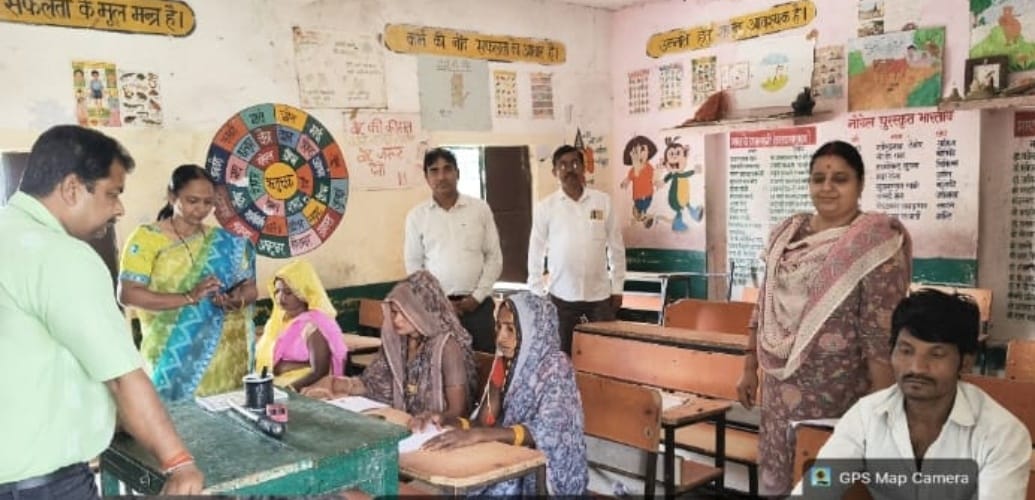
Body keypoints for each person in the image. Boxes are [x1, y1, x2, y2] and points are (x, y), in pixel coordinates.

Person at [0, 125, 203, 497]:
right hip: (40, 487)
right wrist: (178, 462)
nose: (119, 208)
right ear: (72, 188)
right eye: (112, 194)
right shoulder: (59, 256)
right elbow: (120, 376)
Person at [735, 140, 912, 496]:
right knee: (779, 478)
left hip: (839, 393)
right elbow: (764, 304)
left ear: (860, 185)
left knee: (825, 484)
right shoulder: (787, 235)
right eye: (819, 179)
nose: (827, 187)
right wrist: (749, 367)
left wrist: (881, 410)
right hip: (778, 387)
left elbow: (880, 332)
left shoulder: (874, 242)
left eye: (840, 179)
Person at [795, 290, 1032, 499]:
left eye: (936, 354)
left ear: (966, 361)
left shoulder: (1002, 435)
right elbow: (820, 482)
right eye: (906, 351)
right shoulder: (866, 417)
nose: (917, 367)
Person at [418, 292, 588, 496]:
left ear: (535, 330)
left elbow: (547, 431)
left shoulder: (557, 368)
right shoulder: (505, 364)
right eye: (498, 327)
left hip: (547, 468)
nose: (500, 338)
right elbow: (484, 422)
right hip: (510, 455)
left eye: (511, 329)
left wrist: (478, 436)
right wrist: (446, 421)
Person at [118, 164, 257, 402]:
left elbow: (250, 288)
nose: (201, 209)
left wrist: (236, 300)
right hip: (171, 355)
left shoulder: (224, 241)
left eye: (208, 202)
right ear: (172, 196)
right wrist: (189, 297)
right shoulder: (147, 239)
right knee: (177, 419)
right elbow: (128, 294)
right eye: (192, 201)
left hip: (223, 358)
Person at [302, 271, 476, 420]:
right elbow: (373, 384)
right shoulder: (399, 342)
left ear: (422, 312)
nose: (396, 320)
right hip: (404, 421)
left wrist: (431, 420)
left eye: (404, 313)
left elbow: (457, 411)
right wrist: (335, 384)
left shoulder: (447, 347)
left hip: (436, 429)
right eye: (393, 312)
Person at [528, 144, 626, 355]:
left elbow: (616, 247)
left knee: (604, 356)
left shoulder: (603, 202)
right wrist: (537, 291)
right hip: (561, 298)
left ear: (584, 168)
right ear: (554, 172)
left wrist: (617, 288)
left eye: (574, 164)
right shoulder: (546, 207)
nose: (569, 169)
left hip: (599, 298)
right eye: (562, 165)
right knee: (562, 356)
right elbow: (536, 251)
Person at [404, 148, 503, 353]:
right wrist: (438, 302)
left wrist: (476, 298)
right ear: (426, 177)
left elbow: (494, 257)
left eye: (447, 169)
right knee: (442, 365)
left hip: (479, 308)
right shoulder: (417, 216)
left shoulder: (480, 209)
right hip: (437, 310)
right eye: (434, 171)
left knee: (483, 363)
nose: (441, 176)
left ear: (458, 173)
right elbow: (414, 266)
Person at [255, 260, 348, 392]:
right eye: (277, 291)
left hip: (303, 387)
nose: (280, 297)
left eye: (288, 292)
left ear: (303, 294)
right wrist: (281, 368)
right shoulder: (276, 322)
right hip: (276, 381)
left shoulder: (313, 326)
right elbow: (268, 361)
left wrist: (288, 388)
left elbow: (319, 371)